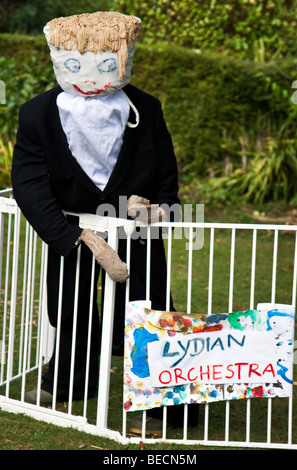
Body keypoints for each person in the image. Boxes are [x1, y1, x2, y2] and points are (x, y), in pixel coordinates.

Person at [11, 11, 191, 433]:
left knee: (150, 310)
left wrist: (162, 209)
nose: (90, 77)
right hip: (73, 230)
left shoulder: (146, 108)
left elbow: (166, 173)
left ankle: (163, 400)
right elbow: (30, 183)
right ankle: (69, 381)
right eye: (74, 66)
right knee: (68, 307)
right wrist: (66, 235)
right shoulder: (36, 113)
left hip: (134, 230)